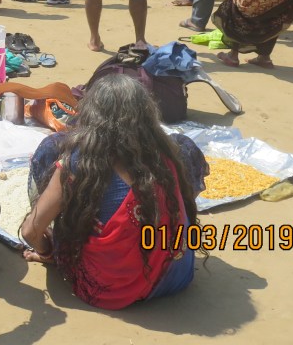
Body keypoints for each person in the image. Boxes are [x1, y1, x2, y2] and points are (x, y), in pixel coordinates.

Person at [21, 75, 204, 309]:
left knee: (50, 148)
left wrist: (49, 253)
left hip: (108, 289)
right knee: (184, 145)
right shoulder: (166, 153)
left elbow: (30, 231)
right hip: (174, 276)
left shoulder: (77, 162)